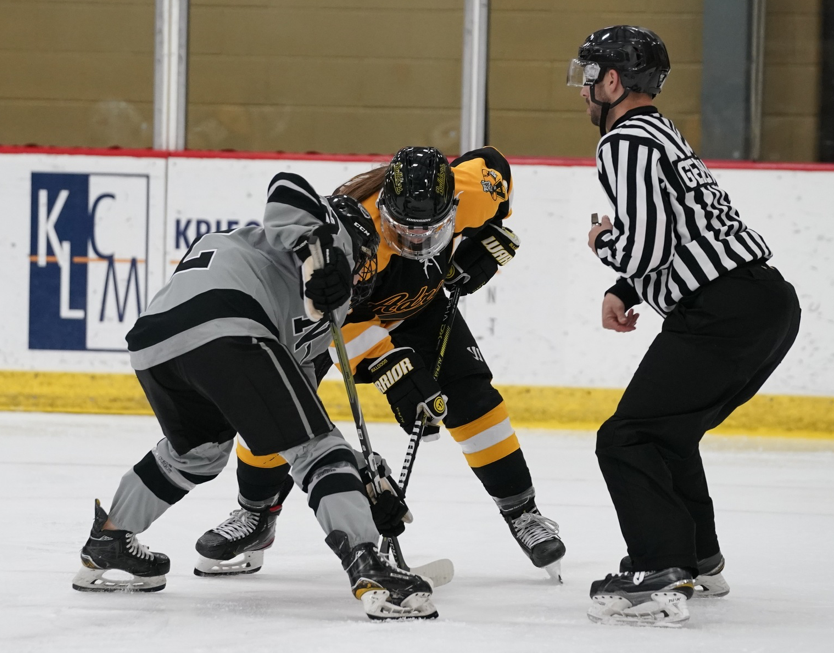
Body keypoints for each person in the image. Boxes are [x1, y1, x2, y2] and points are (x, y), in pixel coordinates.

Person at [72, 171, 439, 621]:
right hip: (228, 323)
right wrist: (325, 253)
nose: (367, 273)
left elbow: (291, 415)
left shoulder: (306, 298)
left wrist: (363, 479)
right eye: (366, 262)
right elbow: (286, 188)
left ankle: (109, 539)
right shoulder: (331, 236)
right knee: (318, 450)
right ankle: (368, 565)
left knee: (197, 455)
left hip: (157, 345)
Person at [194, 146, 567, 582]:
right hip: (334, 318)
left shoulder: (471, 194)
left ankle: (523, 512)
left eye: (431, 232)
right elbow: (342, 322)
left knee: (472, 398)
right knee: (279, 405)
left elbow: (494, 164)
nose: (417, 243)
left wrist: (490, 238)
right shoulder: (354, 234)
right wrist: (394, 370)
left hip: (420, 307)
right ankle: (256, 513)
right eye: (405, 231)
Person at [568, 25, 801, 625]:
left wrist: (602, 244)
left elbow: (644, 245)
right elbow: (687, 225)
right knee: (667, 432)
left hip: (722, 310)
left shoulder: (624, 141)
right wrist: (626, 288)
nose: (583, 91)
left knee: (628, 437)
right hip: (764, 301)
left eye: (589, 77)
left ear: (612, 81)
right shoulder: (662, 132)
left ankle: (658, 571)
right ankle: (699, 558)